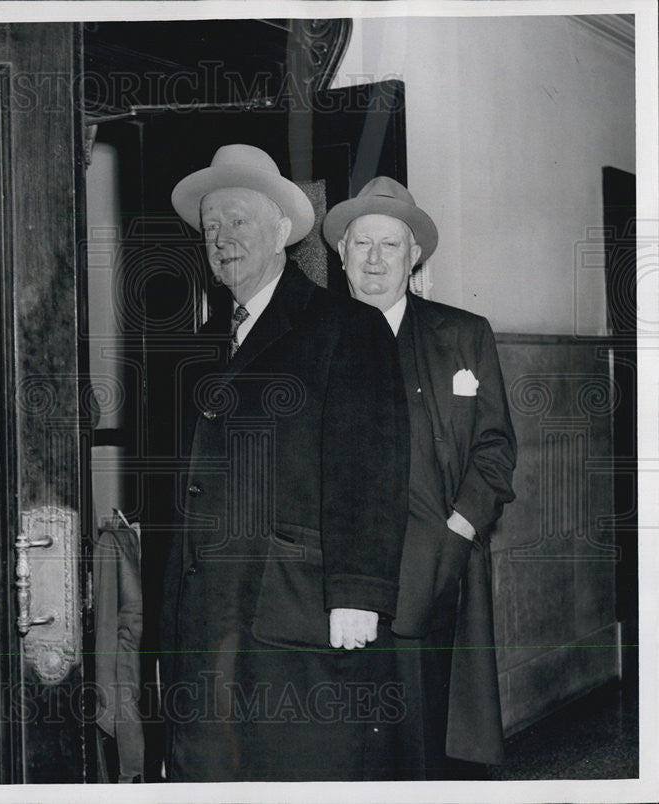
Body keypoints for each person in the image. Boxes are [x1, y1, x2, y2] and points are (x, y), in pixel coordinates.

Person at [159, 144, 410, 782]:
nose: (221, 239)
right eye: (211, 228)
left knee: (296, 769)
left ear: (280, 231)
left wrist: (357, 593)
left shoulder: (346, 327)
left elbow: (369, 472)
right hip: (206, 615)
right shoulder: (198, 343)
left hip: (291, 611)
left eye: (238, 221)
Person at [323, 176, 517, 779]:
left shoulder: (463, 335)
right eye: (362, 245)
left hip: (434, 570)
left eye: (390, 245)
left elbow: (494, 448)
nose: (375, 259)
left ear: (414, 258)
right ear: (342, 255)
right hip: (331, 581)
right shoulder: (313, 339)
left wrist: (457, 533)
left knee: (425, 745)